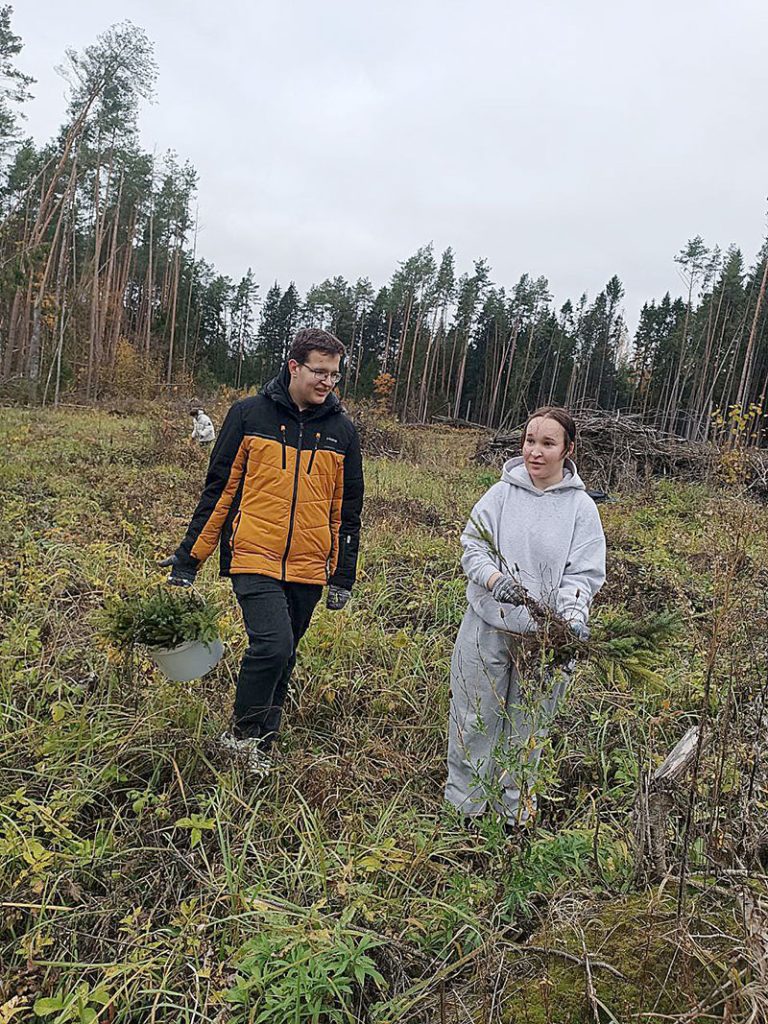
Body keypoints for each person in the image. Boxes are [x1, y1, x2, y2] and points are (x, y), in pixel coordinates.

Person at [160, 329, 364, 775]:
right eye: (319, 372)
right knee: (272, 646)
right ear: (294, 366)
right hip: (254, 554)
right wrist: (189, 558)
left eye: (334, 374)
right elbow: (220, 491)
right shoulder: (249, 415)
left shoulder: (342, 431)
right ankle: (240, 737)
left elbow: (347, 511)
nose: (328, 382)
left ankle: (260, 748)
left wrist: (343, 575)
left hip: (309, 564)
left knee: (286, 654)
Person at [445, 406, 606, 829]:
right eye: (530, 441)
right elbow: (472, 547)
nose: (535, 452)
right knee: (473, 720)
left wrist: (571, 620)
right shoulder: (500, 495)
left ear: (567, 450)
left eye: (547, 444)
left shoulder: (581, 509)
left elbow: (582, 574)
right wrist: (494, 579)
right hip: (487, 627)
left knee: (526, 728)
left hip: (544, 641)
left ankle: (514, 815)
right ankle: (467, 810)